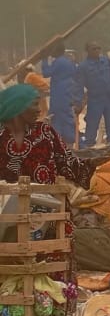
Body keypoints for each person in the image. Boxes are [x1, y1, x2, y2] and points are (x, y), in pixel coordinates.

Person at [0, 84, 94, 282]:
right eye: (34, 104)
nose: (39, 109)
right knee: (13, 268)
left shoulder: (45, 132)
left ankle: (56, 296)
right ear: (18, 106)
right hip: (10, 219)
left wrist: (96, 166)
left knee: (53, 269)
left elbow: (69, 165)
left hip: (51, 214)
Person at [77, 41, 110, 148]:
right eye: (94, 49)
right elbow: (79, 86)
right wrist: (79, 101)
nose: (97, 51)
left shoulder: (106, 61)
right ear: (87, 51)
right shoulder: (83, 66)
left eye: (98, 48)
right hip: (95, 99)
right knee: (92, 123)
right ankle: (89, 146)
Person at [41, 41, 78, 144]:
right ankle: (69, 143)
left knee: (56, 119)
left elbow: (46, 73)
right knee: (67, 119)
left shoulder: (58, 62)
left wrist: (44, 59)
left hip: (59, 96)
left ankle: (57, 142)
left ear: (56, 50)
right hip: (67, 94)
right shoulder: (69, 63)